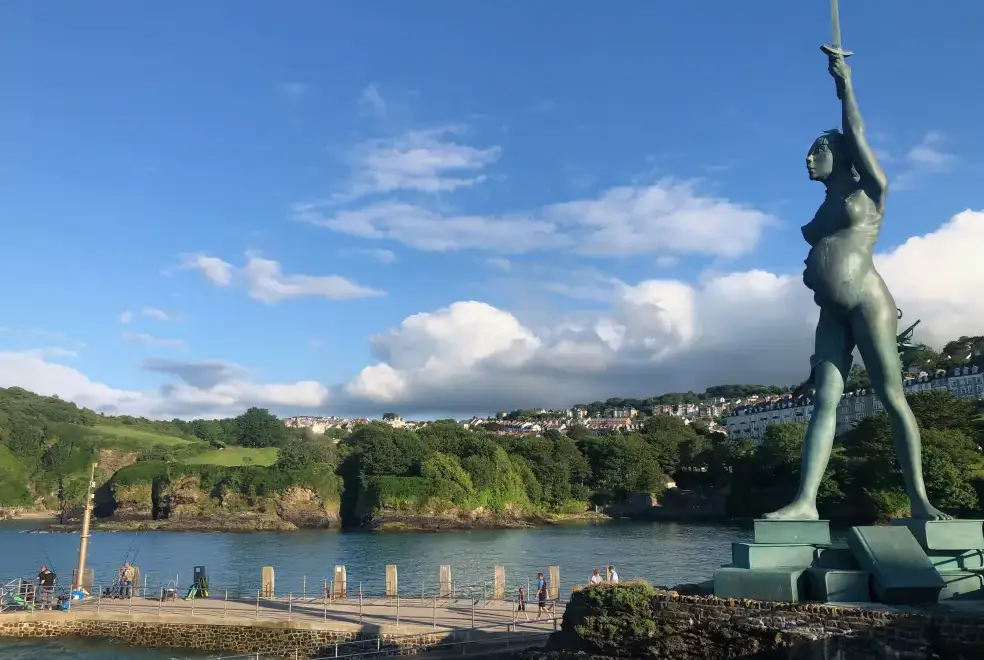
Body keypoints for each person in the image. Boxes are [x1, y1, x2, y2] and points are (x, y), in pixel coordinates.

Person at [764, 49, 949, 522]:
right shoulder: (823, 208)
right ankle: (806, 502)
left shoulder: (867, 190)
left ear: (839, 154)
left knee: (891, 397)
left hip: (869, 300)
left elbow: (857, 132)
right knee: (824, 401)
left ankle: (920, 501)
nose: (809, 157)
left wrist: (844, 86)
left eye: (817, 150)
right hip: (832, 312)